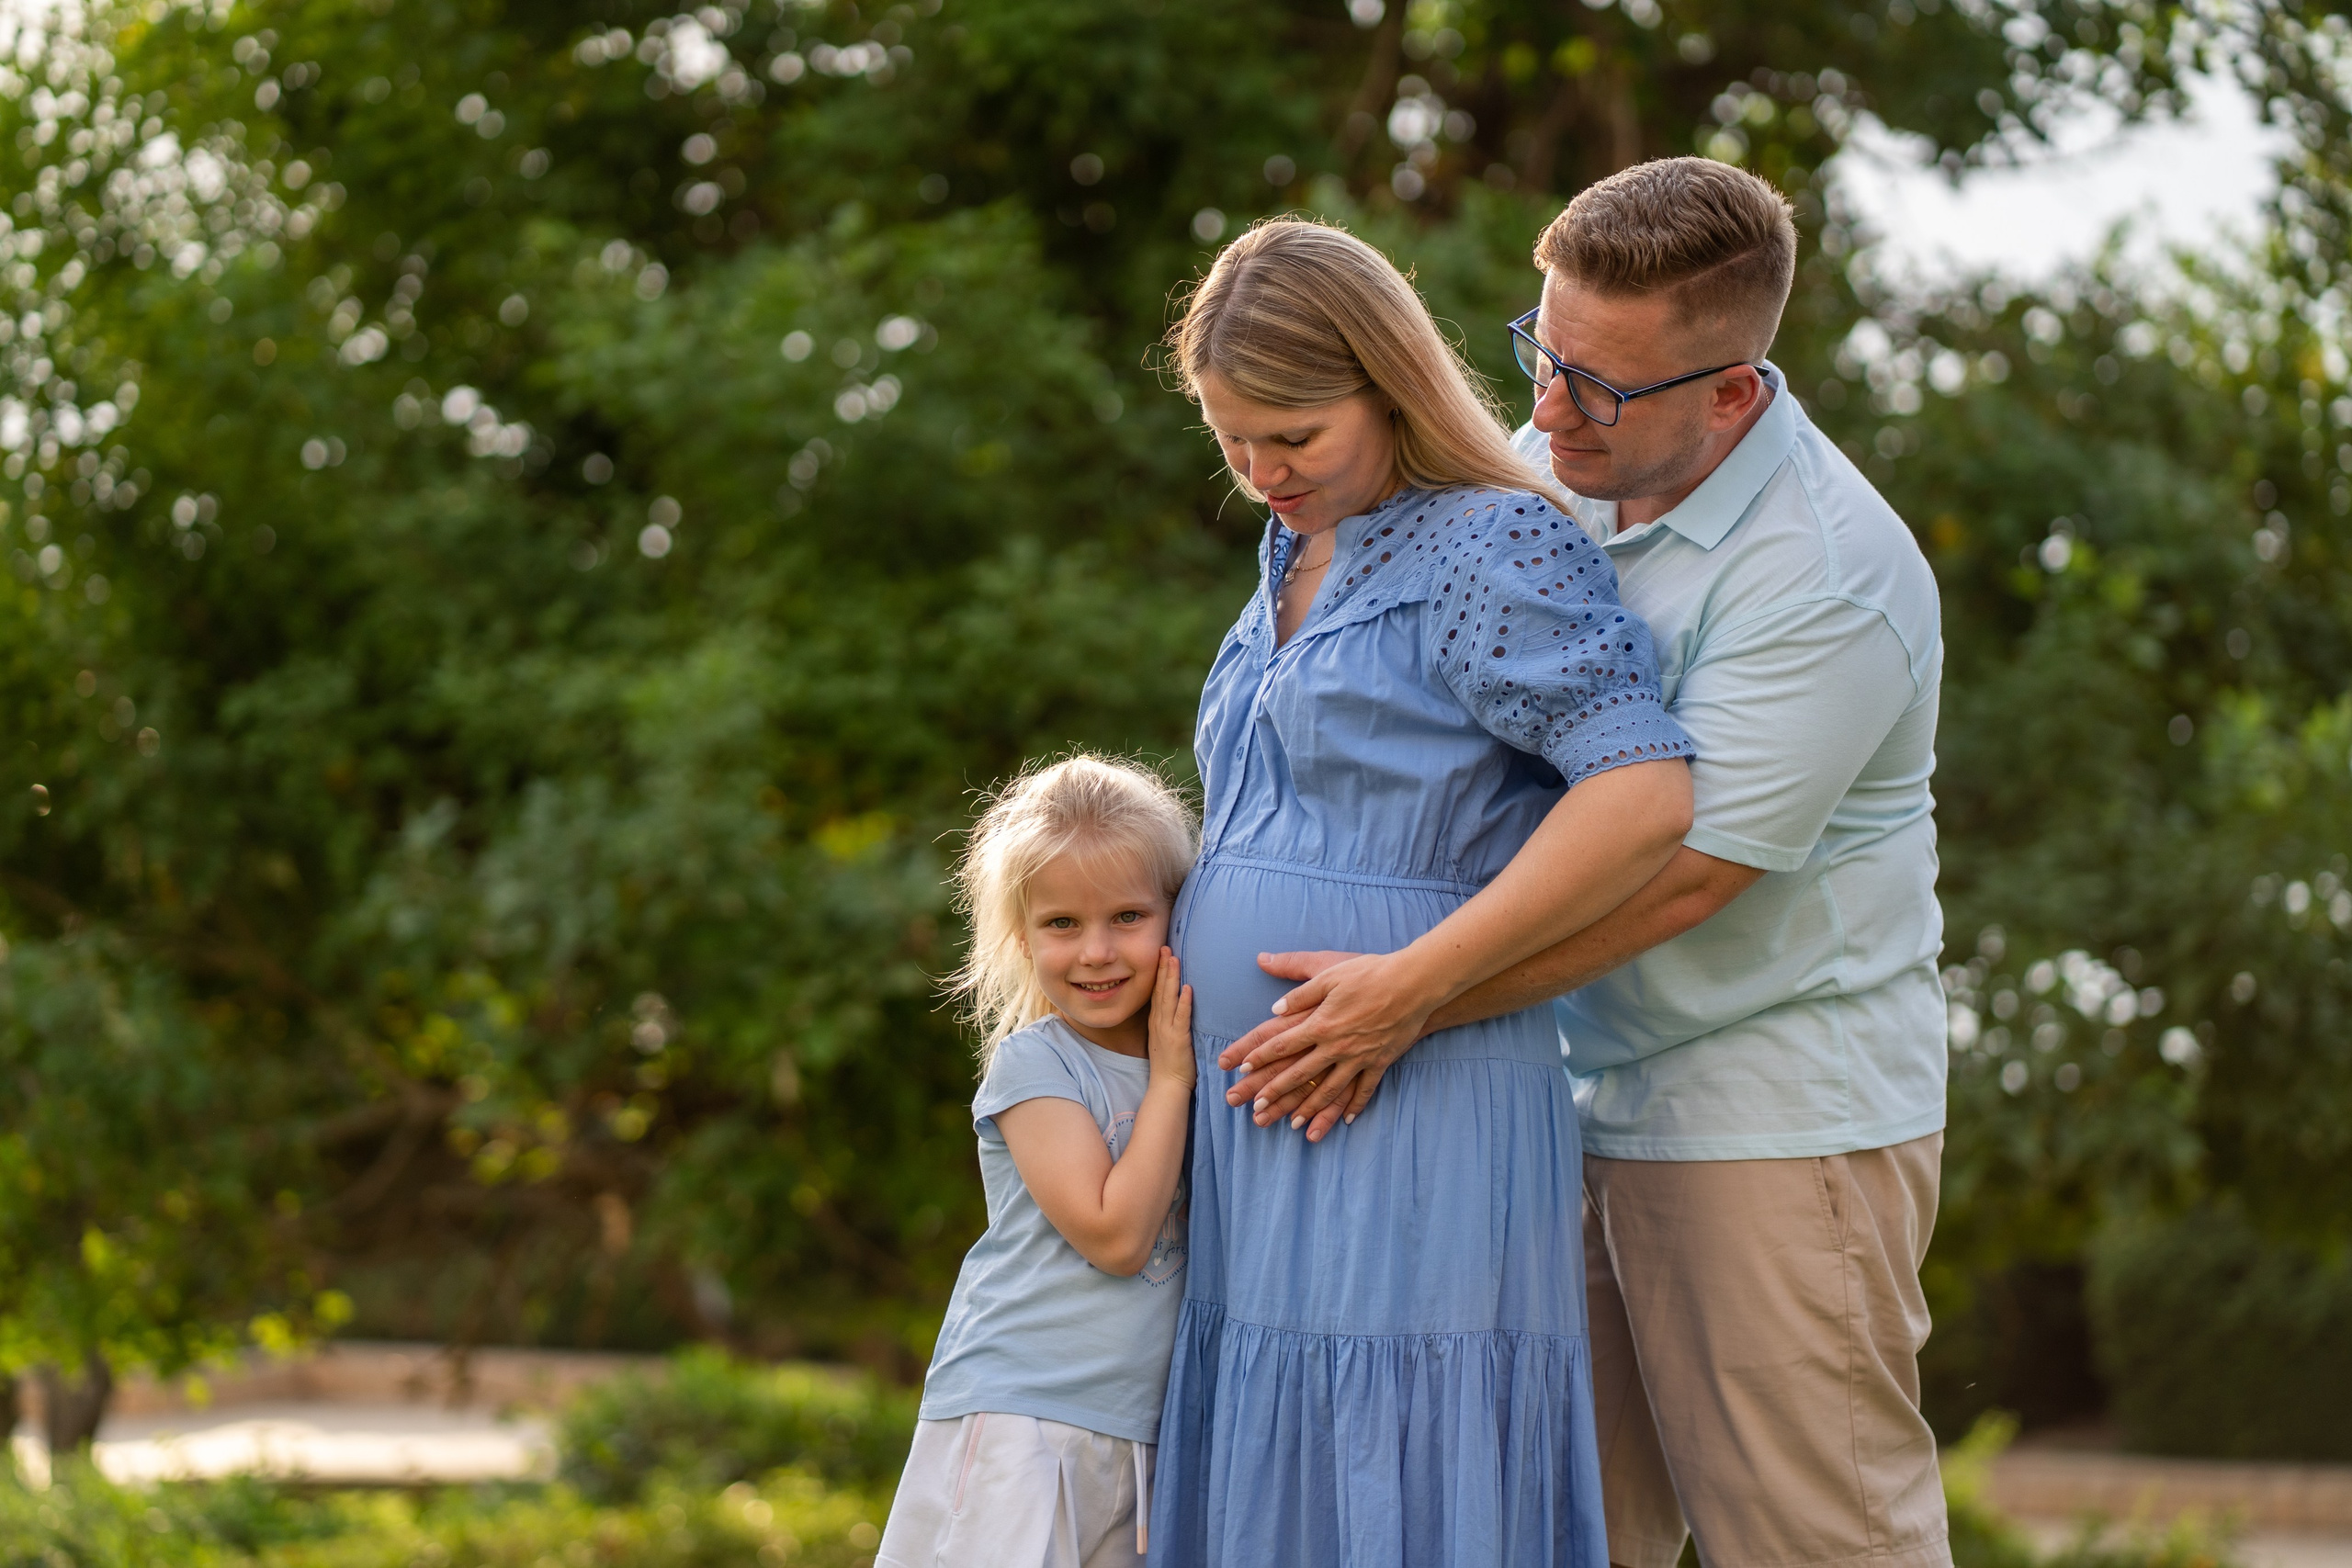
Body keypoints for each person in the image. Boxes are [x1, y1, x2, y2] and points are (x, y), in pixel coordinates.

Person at [1226, 159, 1951, 1568]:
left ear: (1733, 391)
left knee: (1813, 1537)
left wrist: (1410, 998)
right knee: (1553, 1530)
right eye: (1542, 357)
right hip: (1555, 1094)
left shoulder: (1830, 573)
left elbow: (1680, 872)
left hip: (1764, 1110)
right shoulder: (1560, 466)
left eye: (1601, 388)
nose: (1549, 410)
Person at [1148, 216, 1696, 1568]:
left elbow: (1641, 791)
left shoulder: (1491, 545)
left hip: (1410, 1094)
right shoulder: (1301, 547)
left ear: (1387, 390)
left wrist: (1412, 981)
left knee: (1399, 1457)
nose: (1263, 473)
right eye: (1234, 442)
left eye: (1293, 435)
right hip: (1267, 1107)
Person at [877, 755, 1199, 1568]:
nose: (1096, 951)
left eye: (1128, 915)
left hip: (1141, 1428)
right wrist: (1168, 1082)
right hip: (1024, 1418)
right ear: (1023, 937)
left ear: (1178, 912)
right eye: (1062, 923)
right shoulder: (1035, 1065)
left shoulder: (1197, 1052)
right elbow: (1116, 1236)